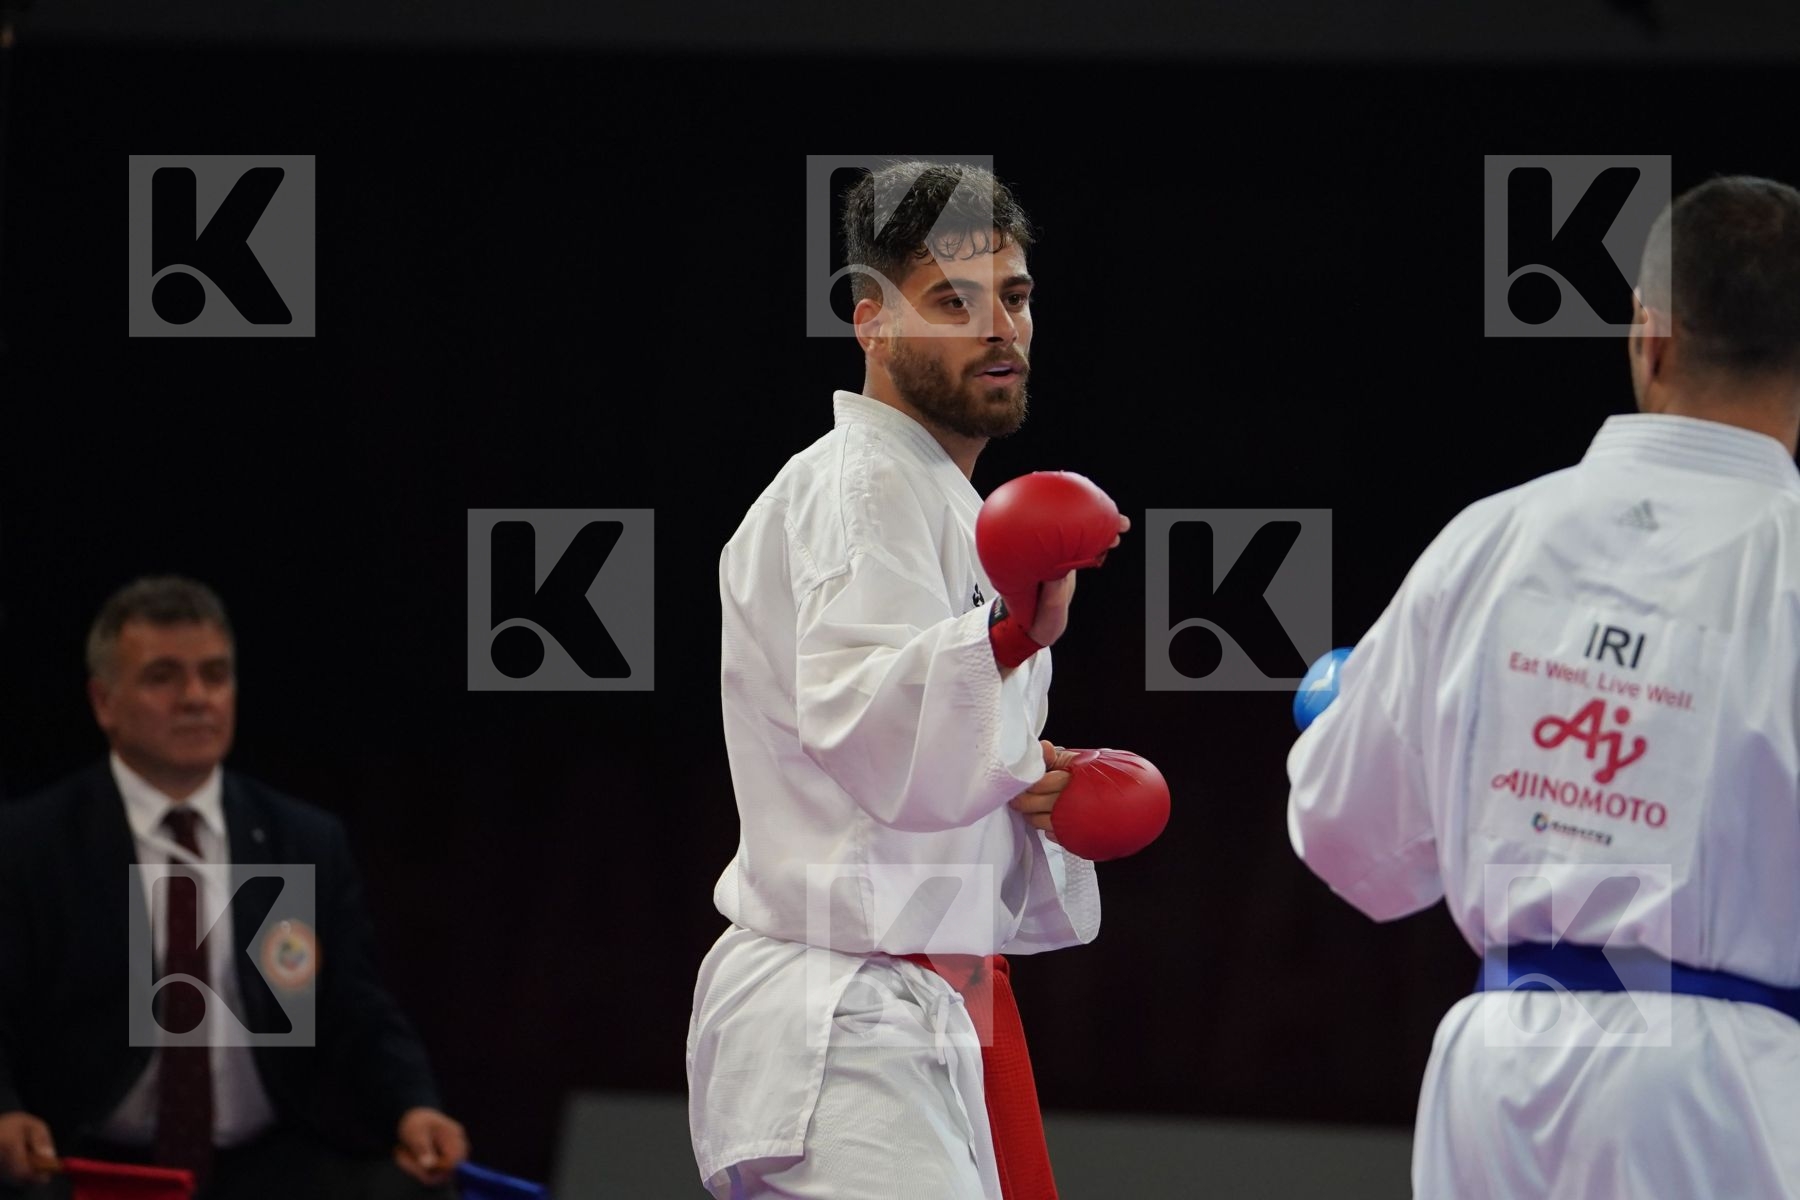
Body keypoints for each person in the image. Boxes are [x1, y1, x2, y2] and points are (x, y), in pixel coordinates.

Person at [1287, 173, 1800, 1198]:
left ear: (1649, 334)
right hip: (1728, 1096)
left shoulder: (1489, 541)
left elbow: (1348, 836)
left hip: (1498, 1077)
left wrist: (1338, 721)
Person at [685, 160, 1128, 1200]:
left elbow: (921, 765)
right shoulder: (861, 488)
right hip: (841, 1013)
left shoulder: (946, 508)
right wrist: (1009, 641)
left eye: (1014, 296)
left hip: (913, 1004)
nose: (999, 329)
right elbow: (871, 734)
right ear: (872, 322)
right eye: (953, 302)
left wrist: (1034, 785)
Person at [0, 576, 469, 1200]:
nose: (196, 698)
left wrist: (413, 1106)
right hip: (89, 1160)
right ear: (104, 702)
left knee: (418, 1191)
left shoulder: (295, 841)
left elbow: (352, 1008)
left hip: (263, 1164)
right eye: (163, 677)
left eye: (215, 675)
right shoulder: (34, 843)